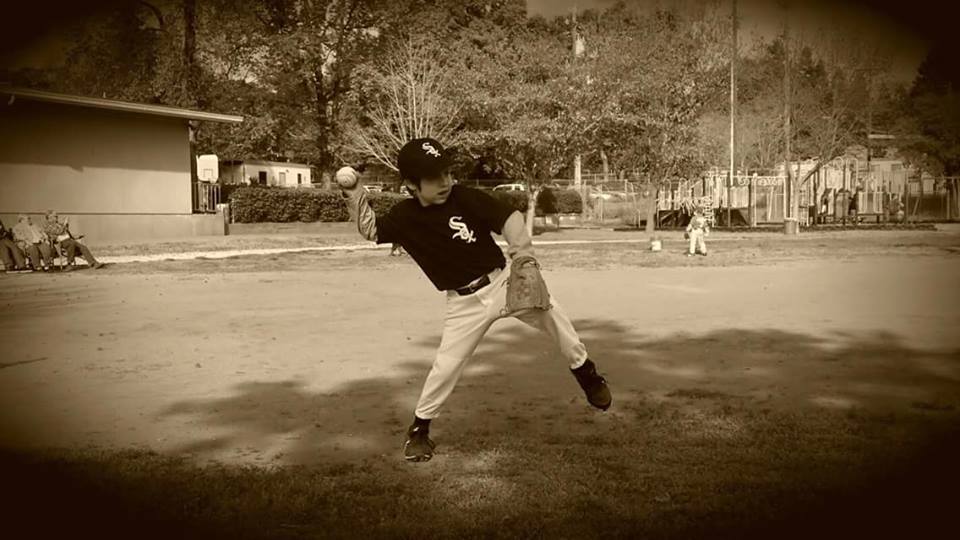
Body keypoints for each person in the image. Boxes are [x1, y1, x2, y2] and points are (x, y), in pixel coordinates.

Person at [339, 138, 611, 462]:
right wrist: (354, 192)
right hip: (463, 303)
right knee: (446, 366)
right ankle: (420, 430)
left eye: (446, 172)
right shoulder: (404, 216)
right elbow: (371, 230)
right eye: (433, 177)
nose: (445, 181)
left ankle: (586, 373)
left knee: (552, 313)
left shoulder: (465, 197)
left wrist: (523, 256)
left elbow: (509, 218)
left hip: (502, 282)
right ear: (411, 184)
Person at [41, 210, 105, 270]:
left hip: (68, 240)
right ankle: (70, 264)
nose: (57, 217)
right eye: (55, 216)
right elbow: (59, 232)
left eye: (57, 216)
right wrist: (65, 224)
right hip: (59, 243)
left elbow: (66, 232)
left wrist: (74, 234)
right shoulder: (48, 226)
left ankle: (93, 263)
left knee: (82, 247)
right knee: (72, 243)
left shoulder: (59, 224)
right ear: (49, 217)